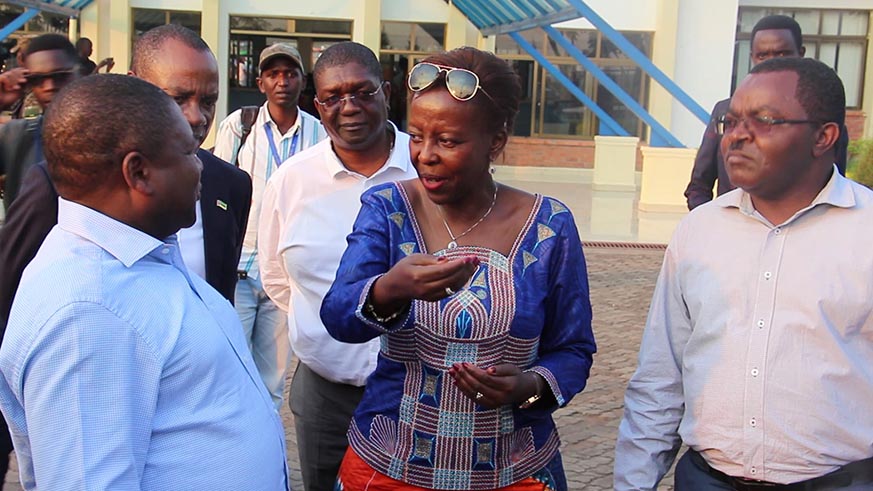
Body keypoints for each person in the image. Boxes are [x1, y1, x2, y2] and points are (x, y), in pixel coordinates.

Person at [319, 47, 596, 491]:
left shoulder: (548, 228)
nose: (425, 155)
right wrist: (390, 288)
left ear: (496, 141)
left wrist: (527, 386)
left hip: (514, 471)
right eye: (415, 136)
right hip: (389, 467)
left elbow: (573, 349)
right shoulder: (388, 210)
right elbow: (337, 317)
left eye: (447, 141)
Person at [0, 73, 288, 490]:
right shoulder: (87, 314)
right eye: (189, 152)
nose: (200, 167)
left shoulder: (142, 255)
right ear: (138, 172)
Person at [615, 57, 873, 490]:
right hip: (707, 479)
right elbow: (661, 376)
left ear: (824, 137)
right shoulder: (699, 231)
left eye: (764, 120)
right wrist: (634, 482)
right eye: (730, 121)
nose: (738, 136)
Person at [258, 41, 415, 491]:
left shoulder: (426, 169)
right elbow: (277, 276)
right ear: (317, 104)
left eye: (363, 92)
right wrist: (325, 334)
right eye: (334, 97)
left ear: (386, 91)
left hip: (417, 391)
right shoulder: (292, 179)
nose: (350, 107)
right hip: (325, 392)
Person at [214, 42, 326, 408]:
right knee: (228, 368)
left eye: (290, 74)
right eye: (273, 74)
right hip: (241, 270)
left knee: (272, 380)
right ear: (260, 82)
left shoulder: (318, 134)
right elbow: (218, 189)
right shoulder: (239, 125)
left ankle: (264, 454)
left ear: (302, 81)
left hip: (286, 276)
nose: (282, 81)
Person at [683, 14, 849, 210]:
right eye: (762, 55)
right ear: (752, 56)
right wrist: (712, 222)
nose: (739, 134)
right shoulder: (724, 111)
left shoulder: (821, 118)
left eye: (781, 54)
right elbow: (699, 185)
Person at [0, 33, 78, 211]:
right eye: (37, 79)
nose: (49, 86)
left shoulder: (109, 135)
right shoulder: (17, 136)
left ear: (80, 72)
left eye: (60, 76)